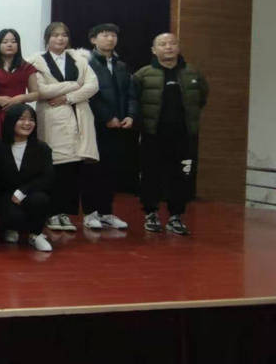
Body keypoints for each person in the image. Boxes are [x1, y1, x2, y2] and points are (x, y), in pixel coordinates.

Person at [132, 33, 208, 236]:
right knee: (151, 175)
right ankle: (151, 214)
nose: (168, 47)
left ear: (178, 47)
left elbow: (201, 97)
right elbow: (134, 101)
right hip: (153, 134)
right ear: (153, 50)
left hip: (184, 135)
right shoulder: (143, 74)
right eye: (162, 44)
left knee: (182, 176)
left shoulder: (193, 73)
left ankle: (176, 216)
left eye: (172, 43)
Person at [27, 22, 99, 233]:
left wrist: (68, 97)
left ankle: (65, 212)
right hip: (52, 117)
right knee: (54, 167)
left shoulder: (79, 59)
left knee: (72, 168)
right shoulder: (36, 61)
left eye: (64, 35)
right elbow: (40, 90)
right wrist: (74, 85)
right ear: (47, 39)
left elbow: (92, 85)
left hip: (78, 116)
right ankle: (51, 212)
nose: (60, 39)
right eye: (55, 35)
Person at [84, 23, 134, 230]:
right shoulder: (87, 63)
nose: (110, 39)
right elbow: (90, 95)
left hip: (119, 126)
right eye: (105, 35)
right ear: (93, 39)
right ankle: (90, 213)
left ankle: (106, 212)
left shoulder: (121, 65)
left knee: (111, 170)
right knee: (93, 170)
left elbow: (131, 93)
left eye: (113, 35)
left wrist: (130, 115)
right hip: (95, 125)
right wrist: (106, 117)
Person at [0, 104, 54, 252]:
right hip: (7, 195)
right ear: (11, 121)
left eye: (31, 120)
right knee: (10, 214)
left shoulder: (42, 148)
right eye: (22, 119)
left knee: (41, 200)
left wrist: (23, 191)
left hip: (31, 193)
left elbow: (47, 177)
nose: (27, 123)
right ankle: (10, 228)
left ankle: (35, 235)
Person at [0, 29, 39, 137]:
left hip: (19, 114)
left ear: (18, 45)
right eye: (5, 42)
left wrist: (20, 98)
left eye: (13, 41)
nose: (9, 45)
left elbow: (35, 94)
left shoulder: (27, 67)